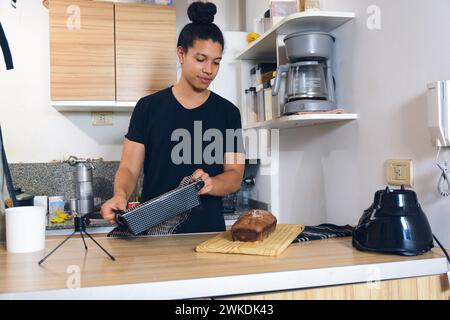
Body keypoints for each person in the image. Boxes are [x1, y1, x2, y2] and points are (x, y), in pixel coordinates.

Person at [100, 1, 245, 234]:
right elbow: (129, 168)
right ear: (181, 53)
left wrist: (212, 183)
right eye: (201, 59)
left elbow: (235, 175)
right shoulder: (147, 108)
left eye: (216, 62)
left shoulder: (229, 113)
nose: (209, 70)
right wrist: (120, 195)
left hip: (207, 233)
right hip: (153, 235)